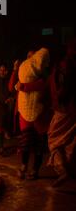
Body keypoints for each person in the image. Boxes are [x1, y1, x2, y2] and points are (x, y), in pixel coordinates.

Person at [15, 48, 53, 180]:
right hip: (25, 112)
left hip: (40, 114)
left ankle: (35, 169)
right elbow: (14, 87)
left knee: (39, 144)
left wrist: (24, 87)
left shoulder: (45, 75)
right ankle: (23, 166)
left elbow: (43, 85)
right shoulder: (23, 74)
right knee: (25, 141)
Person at [48, 39, 76, 187]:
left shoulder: (66, 64)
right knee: (70, 141)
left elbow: (63, 88)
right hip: (71, 108)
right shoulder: (68, 64)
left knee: (54, 139)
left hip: (65, 109)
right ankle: (69, 172)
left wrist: (58, 99)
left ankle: (63, 171)